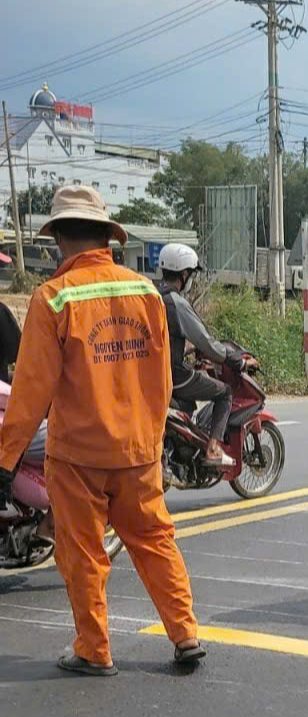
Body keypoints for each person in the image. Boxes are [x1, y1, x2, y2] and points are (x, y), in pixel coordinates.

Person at [0, 185, 203, 676]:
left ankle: (94, 650)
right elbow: (162, 379)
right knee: (155, 541)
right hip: (137, 452)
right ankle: (185, 634)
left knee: (83, 554)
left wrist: (5, 462)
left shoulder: (53, 298)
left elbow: (30, 393)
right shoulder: (145, 293)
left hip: (78, 458)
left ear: (58, 239)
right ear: (107, 236)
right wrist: (150, 439)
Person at [156, 243, 250, 468]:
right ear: (184, 274)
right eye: (191, 274)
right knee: (224, 393)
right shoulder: (177, 304)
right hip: (174, 375)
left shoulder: (153, 297)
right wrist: (233, 359)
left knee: (190, 401)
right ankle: (213, 449)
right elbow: (206, 342)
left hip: (153, 373)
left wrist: (187, 349)